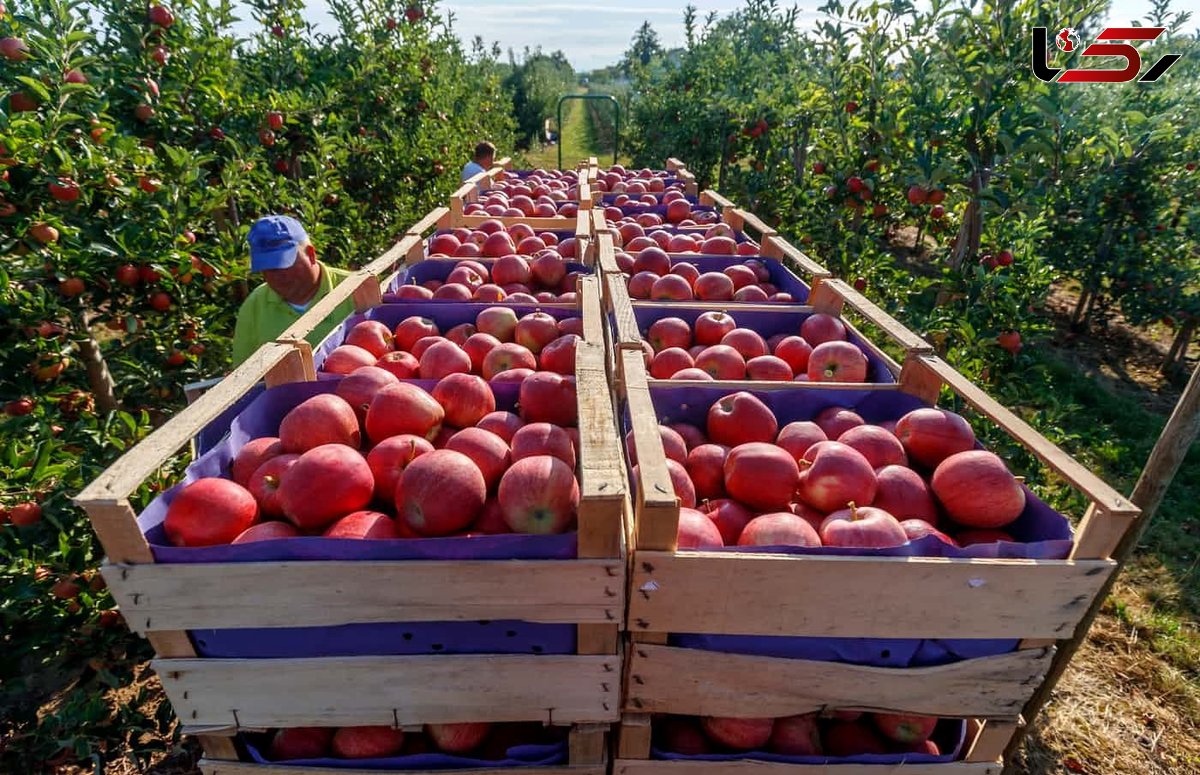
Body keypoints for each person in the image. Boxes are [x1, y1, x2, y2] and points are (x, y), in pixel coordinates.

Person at [231, 215, 358, 366]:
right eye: (267, 268)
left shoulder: (355, 288)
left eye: (284, 263)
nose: (277, 275)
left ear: (311, 254)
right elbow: (241, 373)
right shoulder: (254, 306)